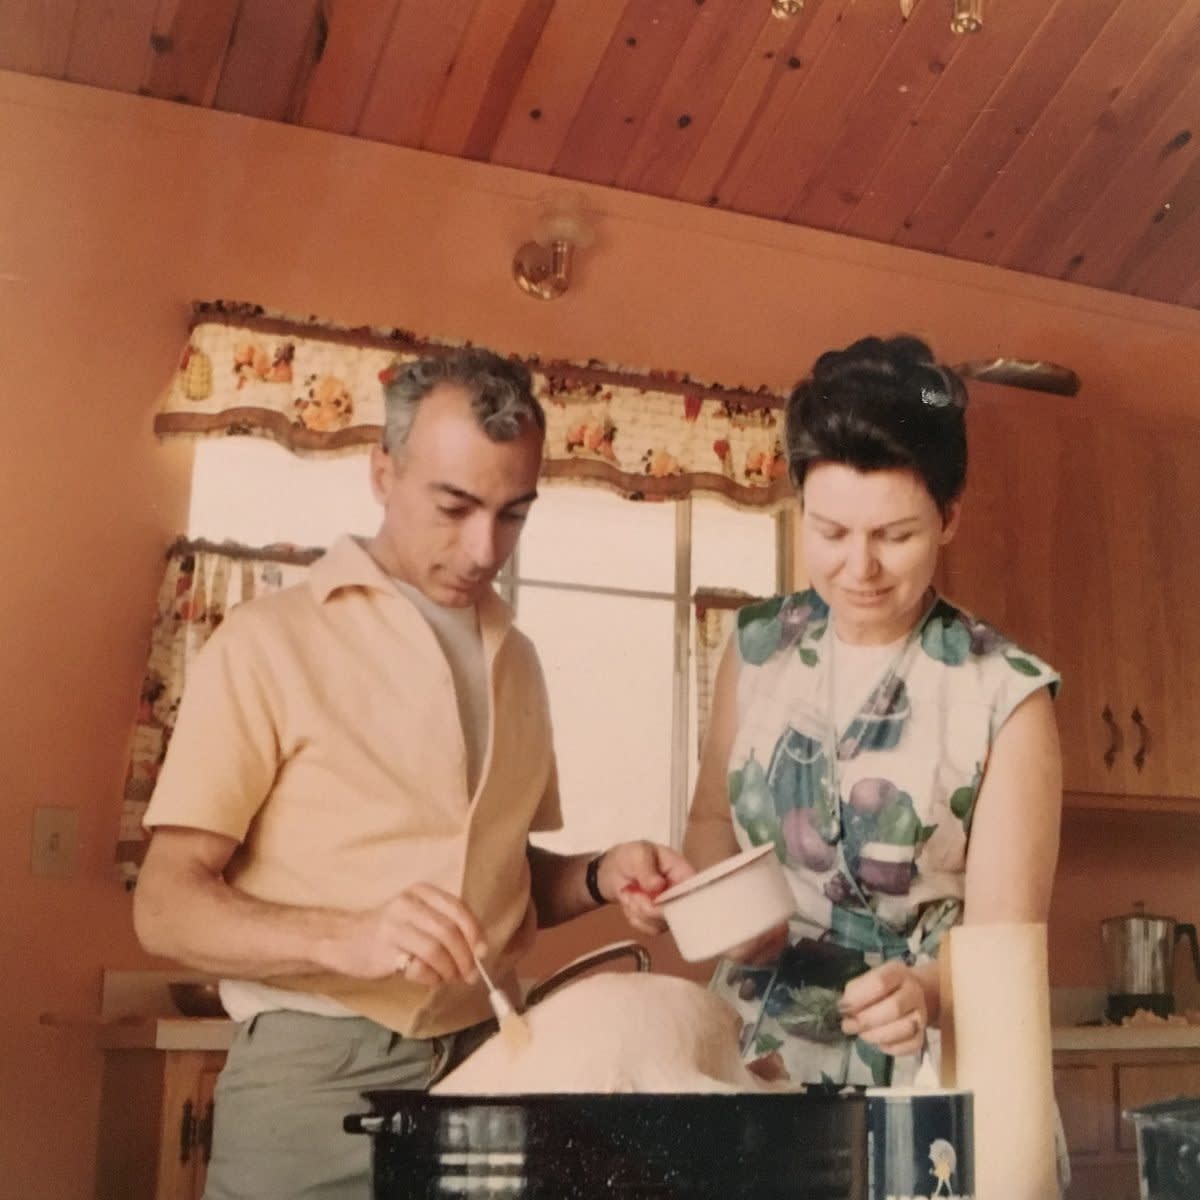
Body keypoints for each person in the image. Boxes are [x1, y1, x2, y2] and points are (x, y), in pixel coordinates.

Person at [133, 348, 692, 1200]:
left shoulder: (520, 662)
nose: (484, 549)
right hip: (312, 1079)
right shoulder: (268, 642)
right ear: (382, 471)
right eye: (455, 506)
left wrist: (600, 874)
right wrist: (345, 936)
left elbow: (502, 886)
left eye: (513, 514)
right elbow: (166, 904)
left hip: (488, 1068)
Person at [684, 334, 1062, 1088]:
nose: (859, 568)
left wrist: (922, 990)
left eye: (895, 535)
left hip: (924, 1058)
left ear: (950, 516)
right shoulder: (756, 648)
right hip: (756, 1054)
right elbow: (708, 825)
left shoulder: (1005, 695)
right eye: (830, 532)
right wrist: (733, 916)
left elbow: (1001, 948)